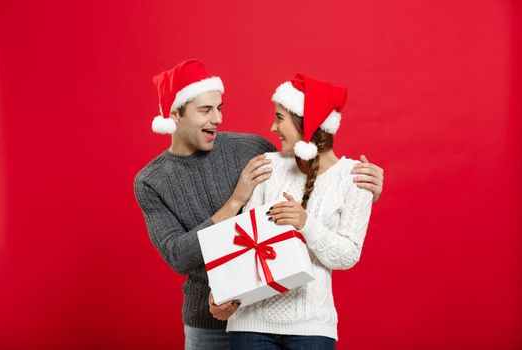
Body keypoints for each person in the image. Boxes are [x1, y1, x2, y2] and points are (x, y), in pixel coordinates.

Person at [134, 59, 384, 350]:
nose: (217, 119)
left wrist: (365, 189)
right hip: (209, 318)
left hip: (260, 311)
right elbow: (179, 256)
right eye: (205, 110)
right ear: (176, 114)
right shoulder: (150, 181)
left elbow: (308, 169)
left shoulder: (252, 149)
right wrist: (235, 201)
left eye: (220, 107)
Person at [211, 73, 375, 349]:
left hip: (311, 327)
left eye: (280, 118)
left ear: (305, 123)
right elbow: (244, 242)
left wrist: (305, 222)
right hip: (250, 323)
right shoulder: (267, 165)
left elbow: (348, 256)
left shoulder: (355, 178)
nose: (272, 127)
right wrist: (222, 292)